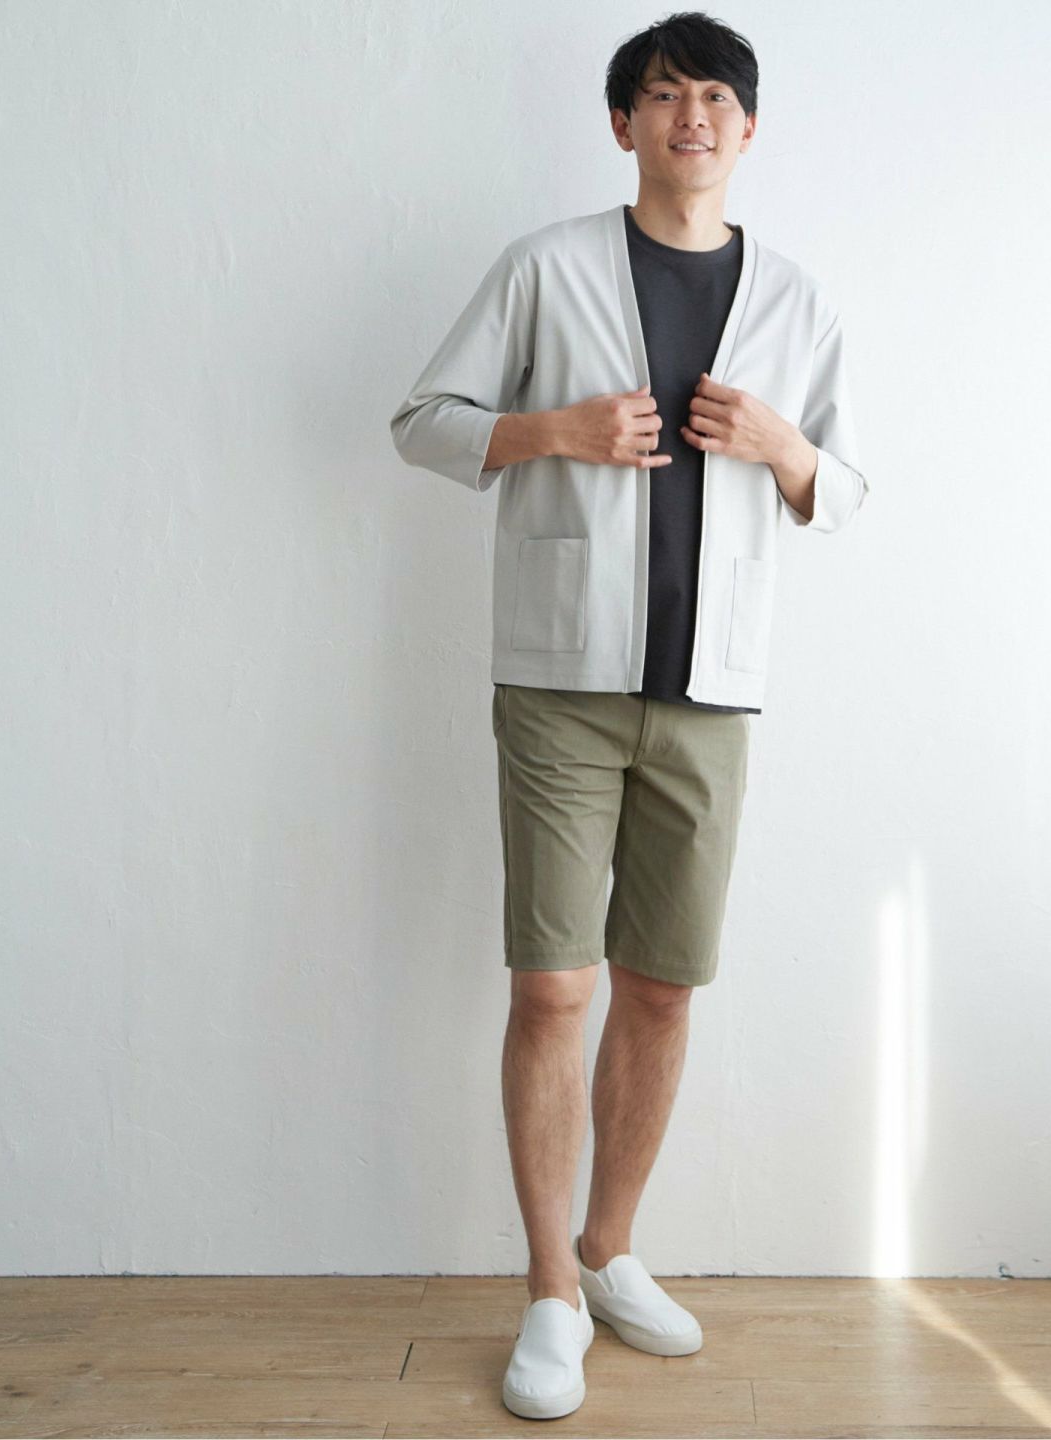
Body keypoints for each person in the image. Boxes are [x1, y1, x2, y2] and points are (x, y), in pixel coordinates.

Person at [390, 10, 869, 1420]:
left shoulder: (799, 302)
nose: (692, 116)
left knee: (661, 988)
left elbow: (844, 489)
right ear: (624, 124)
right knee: (554, 986)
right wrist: (555, 430)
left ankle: (610, 1252)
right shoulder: (544, 268)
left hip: (712, 694)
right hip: (559, 684)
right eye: (664, 95)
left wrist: (783, 446)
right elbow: (421, 419)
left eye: (716, 96)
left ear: (749, 128)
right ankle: (550, 1290)